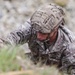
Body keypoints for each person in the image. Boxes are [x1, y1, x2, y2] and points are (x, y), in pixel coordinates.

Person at [3, 3, 75, 75]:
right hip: (34, 62)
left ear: (55, 29)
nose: (38, 36)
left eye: (43, 33)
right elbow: (11, 39)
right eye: (38, 32)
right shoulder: (34, 26)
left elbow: (69, 72)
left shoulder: (70, 46)